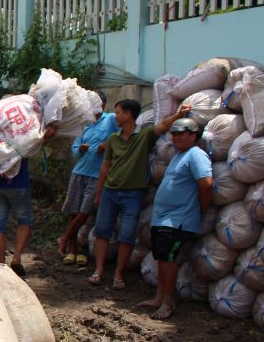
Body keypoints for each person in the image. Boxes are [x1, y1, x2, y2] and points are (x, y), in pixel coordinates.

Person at [89, 100, 192, 289]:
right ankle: (99, 270)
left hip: (133, 195)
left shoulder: (144, 136)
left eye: (118, 112)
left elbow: (162, 127)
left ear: (128, 115)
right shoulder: (113, 139)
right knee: (102, 232)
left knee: (127, 236)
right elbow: (105, 167)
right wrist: (99, 192)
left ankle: (118, 274)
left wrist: (178, 116)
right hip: (110, 192)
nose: (116, 116)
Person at [138, 118, 212, 319]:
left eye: (181, 133)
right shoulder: (179, 155)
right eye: (174, 134)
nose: (176, 137)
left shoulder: (196, 155)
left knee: (169, 260)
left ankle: (168, 302)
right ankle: (159, 297)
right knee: (162, 258)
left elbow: (206, 183)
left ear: (193, 135)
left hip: (178, 219)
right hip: (163, 219)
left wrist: (201, 207)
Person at [0, 126, 57, 278]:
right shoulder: (23, 135)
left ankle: (1, 265)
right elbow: (38, 143)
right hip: (19, 185)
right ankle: (16, 258)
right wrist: (48, 135)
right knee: (24, 221)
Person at [58, 91, 118, 265]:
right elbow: (74, 148)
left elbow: (122, 137)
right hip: (79, 172)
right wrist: (80, 149)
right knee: (74, 211)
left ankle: (66, 238)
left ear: (103, 104)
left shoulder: (111, 120)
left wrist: (106, 145)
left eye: (98, 103)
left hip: (97, 174)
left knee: (86, 212)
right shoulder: (83, 123)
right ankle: (73, 250)